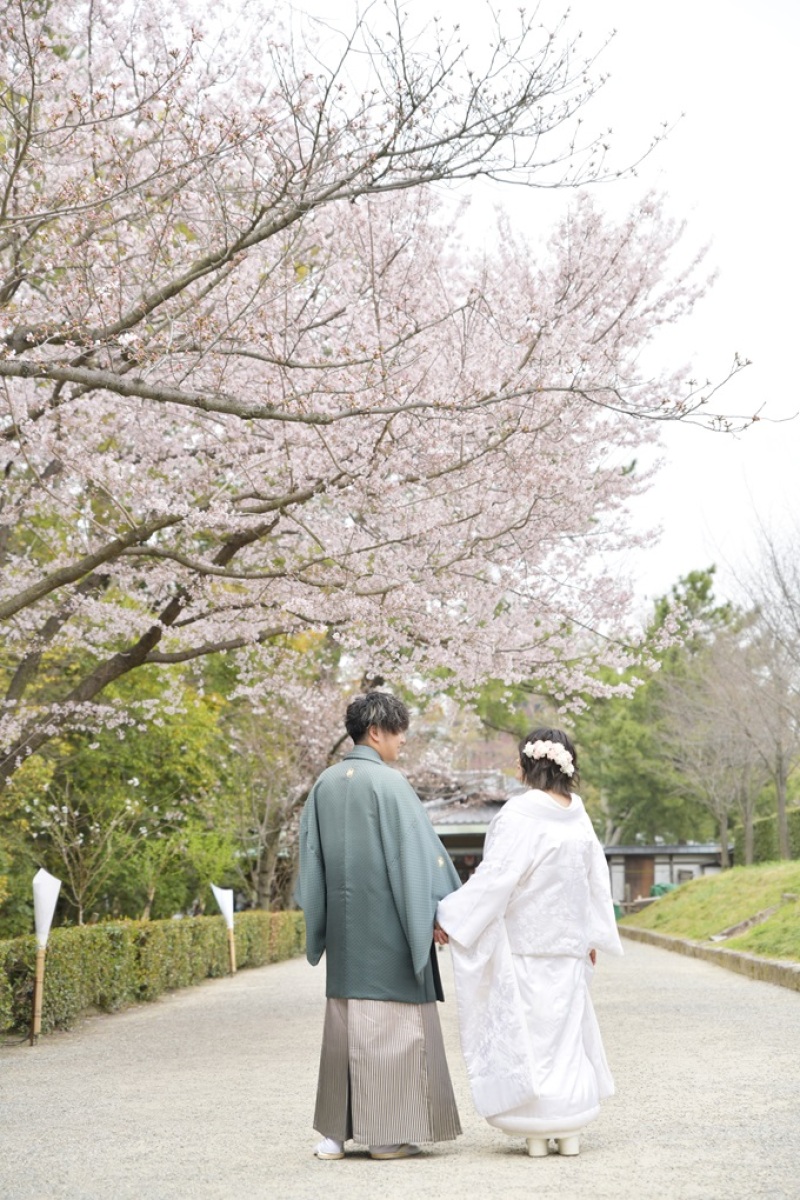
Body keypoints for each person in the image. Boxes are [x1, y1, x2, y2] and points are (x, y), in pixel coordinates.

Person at [435, 727, 622, 1158]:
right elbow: (594, 880)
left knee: (531, 1036)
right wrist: (591, 933)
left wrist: (449, 915)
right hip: (568, 946)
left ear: (525, 766)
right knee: (564, 1035)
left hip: (525, 944)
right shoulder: (579, 816)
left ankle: (536, 1129)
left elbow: (496, 878)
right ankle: (569, 1127)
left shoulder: (520, 814)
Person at [294, 690, 462, 1161]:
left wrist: (321, 926)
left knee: (344, 1026)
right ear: (375, 732)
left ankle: (334, 1136)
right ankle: (386, 1137)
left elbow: (310, 864)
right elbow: (417, 858)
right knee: (392, 1027)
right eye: (398, 731)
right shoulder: (390, 784)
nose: (402, 740)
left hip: (345, 936)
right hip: (388, 932)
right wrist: (437, 910)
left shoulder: (325, 784)